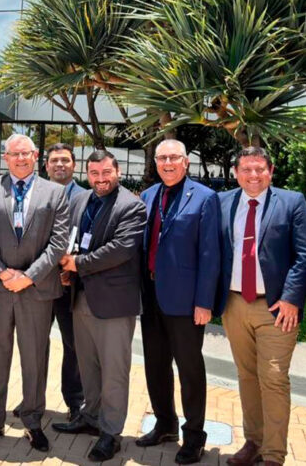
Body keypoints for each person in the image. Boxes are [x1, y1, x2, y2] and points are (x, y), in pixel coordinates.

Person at [0, 133, 70, 453]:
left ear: (36, 155)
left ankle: (31, 420)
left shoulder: (55, 192)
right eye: (14, 154)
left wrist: (29, 276)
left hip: (36, 290)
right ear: (5, 157)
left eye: (26, 153)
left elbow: (59, 241)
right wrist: (0, 272)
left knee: (34, 358)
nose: (21, 159)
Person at [217, 148, 306, 466]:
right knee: (246, 376)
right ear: (235, 172)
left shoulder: (291, 202)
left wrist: (291, 299)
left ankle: (274, 454)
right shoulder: (223, 202)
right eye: (246, 169)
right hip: (234, 303)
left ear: (271, 171)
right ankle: (254, 442)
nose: (253, 175)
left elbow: (305, 255)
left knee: (272, 377)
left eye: (259, 169)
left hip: (276, 307)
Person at [52, 150, 146, 461]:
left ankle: (111, 433)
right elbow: (73, 239)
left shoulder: (131, 206)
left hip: (114, 304)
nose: (101, 179)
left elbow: (120, 250)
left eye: (106, 173)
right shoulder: (80, 200)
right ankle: (90, 417)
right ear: (87, 173)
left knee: (114, 371)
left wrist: (77, 264)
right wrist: (67, 270)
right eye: (94, 174)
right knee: (87, 366)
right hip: (80, 298)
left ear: (116, 171)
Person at [136, 139, 221, 465]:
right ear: (156, 162)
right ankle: (165, 423)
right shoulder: (148, 196)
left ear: (185, 162)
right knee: (155, 366)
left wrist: (204, 302)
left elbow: (210, 254)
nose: (167, 163)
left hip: (186, 303)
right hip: (151, 297)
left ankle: (194, 436)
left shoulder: (204, 198)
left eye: (174, 157)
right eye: (162, 158)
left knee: (189, 369)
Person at [41, 141, 85, 422]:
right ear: (46, 165)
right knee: (34, 344)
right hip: (40, 285)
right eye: (54, 160)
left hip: (71, 286)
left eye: (65, 160)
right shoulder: (35, 193)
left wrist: (75, 266)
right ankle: (32, 399)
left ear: (74, 165)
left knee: (74, 346)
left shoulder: (86, 197)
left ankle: (75, 403)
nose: (60, 164)